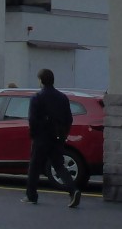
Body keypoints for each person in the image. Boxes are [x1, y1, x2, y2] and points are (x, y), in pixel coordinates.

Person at [23, 68, 80, 208]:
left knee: (35, 167)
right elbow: (69, 118)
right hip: (57, 137)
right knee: (59, 165)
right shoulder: (62, 97)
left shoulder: (37, 97)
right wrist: (63, 134)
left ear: (41, 81)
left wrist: (34, 135)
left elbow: (32, 120)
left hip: (41, 137)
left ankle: (31, 196)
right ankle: (73, 190)